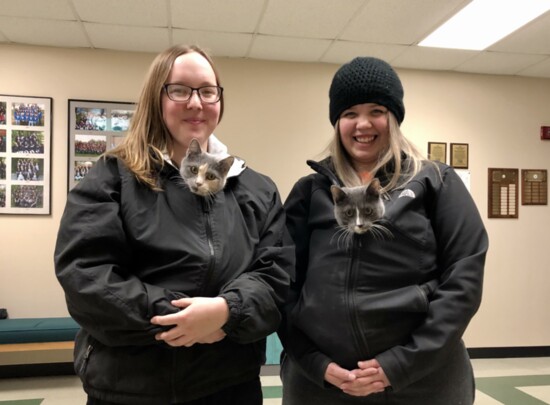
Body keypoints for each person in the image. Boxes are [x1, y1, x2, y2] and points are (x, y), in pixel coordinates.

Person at [54, 44, 293, 405]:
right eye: (179, 89)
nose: (195, 102)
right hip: (130, 389)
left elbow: (275, 277)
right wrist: (181, 317)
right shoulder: (112, 177)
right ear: (157, 97)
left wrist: (226, 312)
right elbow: (85, 276)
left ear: (219, 100)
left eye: (207, 91)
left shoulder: (256, 190)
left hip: (229, 386)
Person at [279, 56, 488, 404]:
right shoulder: (309, 192)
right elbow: (282, 283)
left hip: (422, 381)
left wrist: (402, 364)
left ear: (394, 116)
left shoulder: (436, 181)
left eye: (376, 110)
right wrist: (314, 362)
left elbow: (463, 278)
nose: (363, 124)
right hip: (323, 384)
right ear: (337, 122)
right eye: (349, 113)